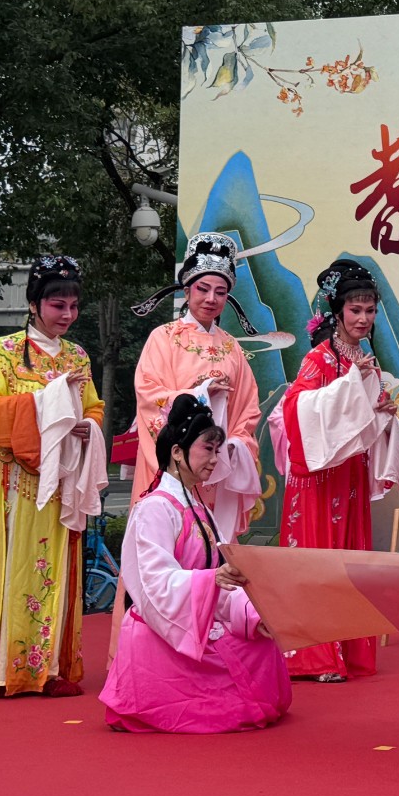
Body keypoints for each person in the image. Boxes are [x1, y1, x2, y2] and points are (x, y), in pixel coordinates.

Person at [0, 254, 104, 697]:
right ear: (34, 304)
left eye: (73, 306)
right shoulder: (4, 351)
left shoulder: (77, 356)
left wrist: (86, 425)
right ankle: (0, 671)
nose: (67, 315)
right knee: (9, 566)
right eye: (57, 305)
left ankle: (47, 669)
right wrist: (48, 405)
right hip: (14, 477)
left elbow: (93, 407)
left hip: (61, 478)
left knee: (53, 570)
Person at [100, 395, 292, 733]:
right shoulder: (154, 508)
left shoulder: (199, 508)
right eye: (208, 449)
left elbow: (222, 578)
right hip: (163, 628)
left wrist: (252, 615)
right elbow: (154, 584)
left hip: (196, 616)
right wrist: (210, 580)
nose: (215, 459)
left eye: (217, 450)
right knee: (234, 686)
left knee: (260, 645)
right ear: (177, 452)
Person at [116, 233, 266, 658]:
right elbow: (149, 397)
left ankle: (210, 647)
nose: (211, 298)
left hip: (214, 473)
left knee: (209, 557)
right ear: (186, 288)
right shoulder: (163, 338)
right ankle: (145, 654)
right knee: (161, 555)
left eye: (220, 291)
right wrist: (199, 393)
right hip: (171, 468)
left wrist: (233, 447)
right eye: (203, 288)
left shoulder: (232, 349)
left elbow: (248, 412)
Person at [272, 258, 399, 682]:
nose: (363, 318)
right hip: (318, 478)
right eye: (355, 310)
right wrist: (349, 388)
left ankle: (345, 649)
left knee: (348, 561)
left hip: (349, 472)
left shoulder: (366, 360)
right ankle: (315, 655)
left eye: (370, 310)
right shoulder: (318, 360)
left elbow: (362, 419)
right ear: (337, 313)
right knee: (320, 562)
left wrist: (382, 414)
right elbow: (296, 410)